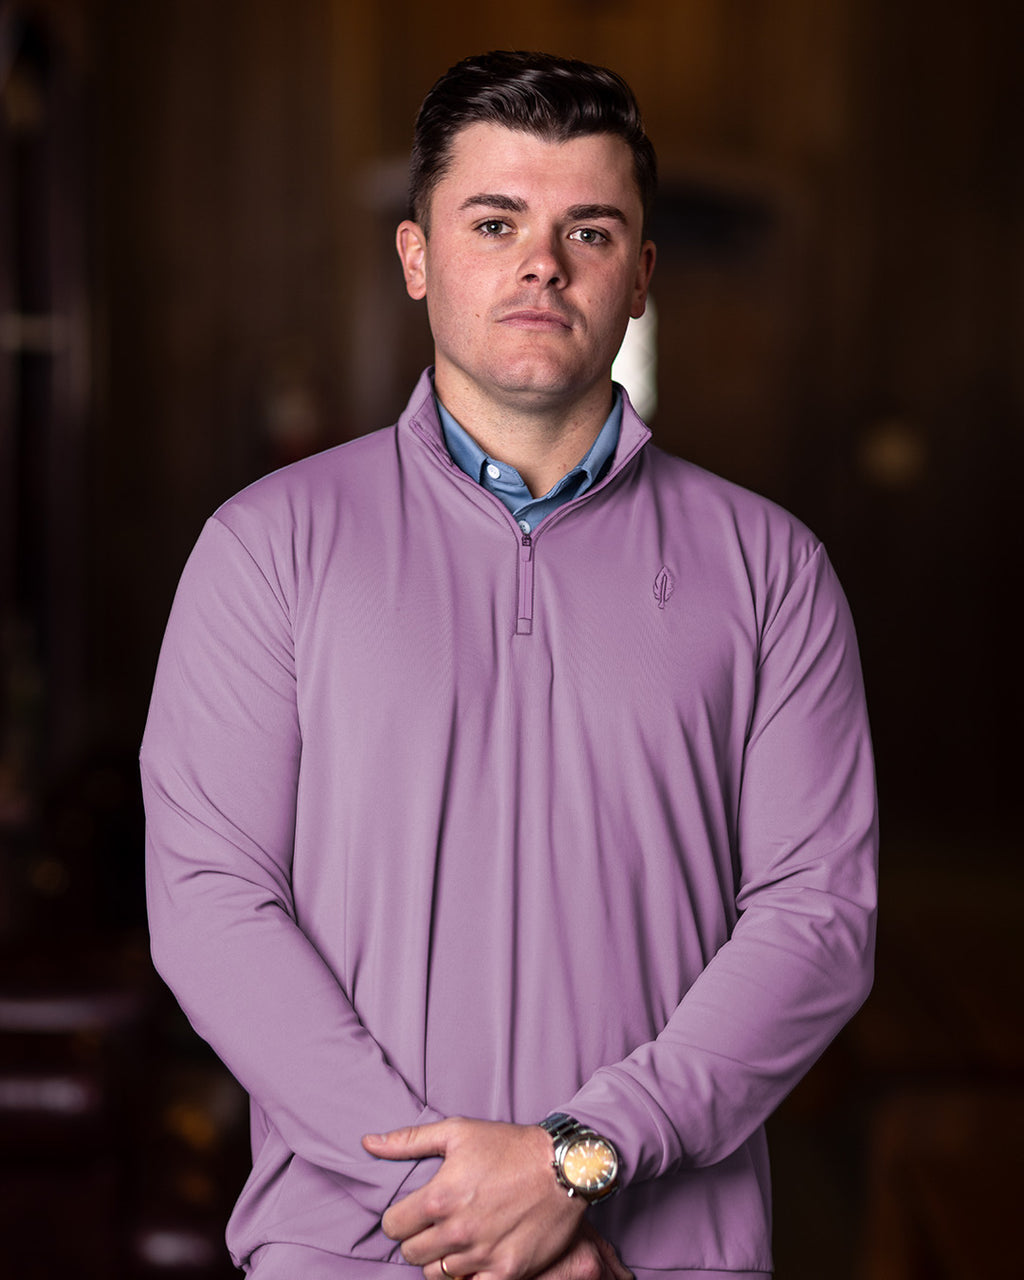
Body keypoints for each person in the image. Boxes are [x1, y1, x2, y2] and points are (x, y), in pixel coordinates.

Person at [141, 50, 878, 1280]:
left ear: (639, 276)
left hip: (661, 1259)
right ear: (418, 256)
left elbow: (817, 921)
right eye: (495, 222)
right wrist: (461, 1211)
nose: (542, 261)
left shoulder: (772, 570)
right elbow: (212, 902)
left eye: (588, 229)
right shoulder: (265, 546)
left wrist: (578, 1158)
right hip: (355, 1253)